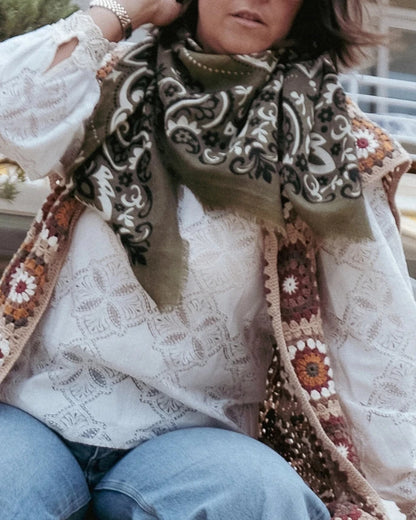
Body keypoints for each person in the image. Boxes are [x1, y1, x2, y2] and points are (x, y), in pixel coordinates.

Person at [0, 0, 415, 519]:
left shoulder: (332, 143)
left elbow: (374, 330)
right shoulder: (105, 83)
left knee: (261, 498)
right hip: (37, 414)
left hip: (195, 439)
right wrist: (130, 9)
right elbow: (7, 105)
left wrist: (395, 492)